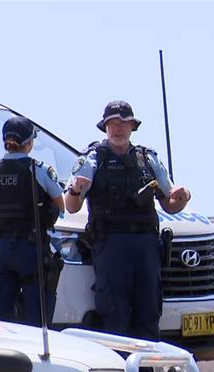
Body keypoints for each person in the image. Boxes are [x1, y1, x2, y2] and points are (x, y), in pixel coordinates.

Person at [65, 100, 191, 341]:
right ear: (104, 127)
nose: (117, 128)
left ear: (132, 125)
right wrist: (74, 191)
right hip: (111, 246)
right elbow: (72, 206)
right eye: (111, 123)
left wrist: (183, 196)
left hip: (146, 248)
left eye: (122, 123)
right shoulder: (93, 159)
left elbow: (170, 203)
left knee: (148, 313)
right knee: (115, 316)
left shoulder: (148, 158)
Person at [0, 116, 65, 327]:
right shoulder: (38, 169)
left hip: (1, 248)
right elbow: (62, 205)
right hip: (30, 248)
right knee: (37, 318)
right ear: (29, 143)